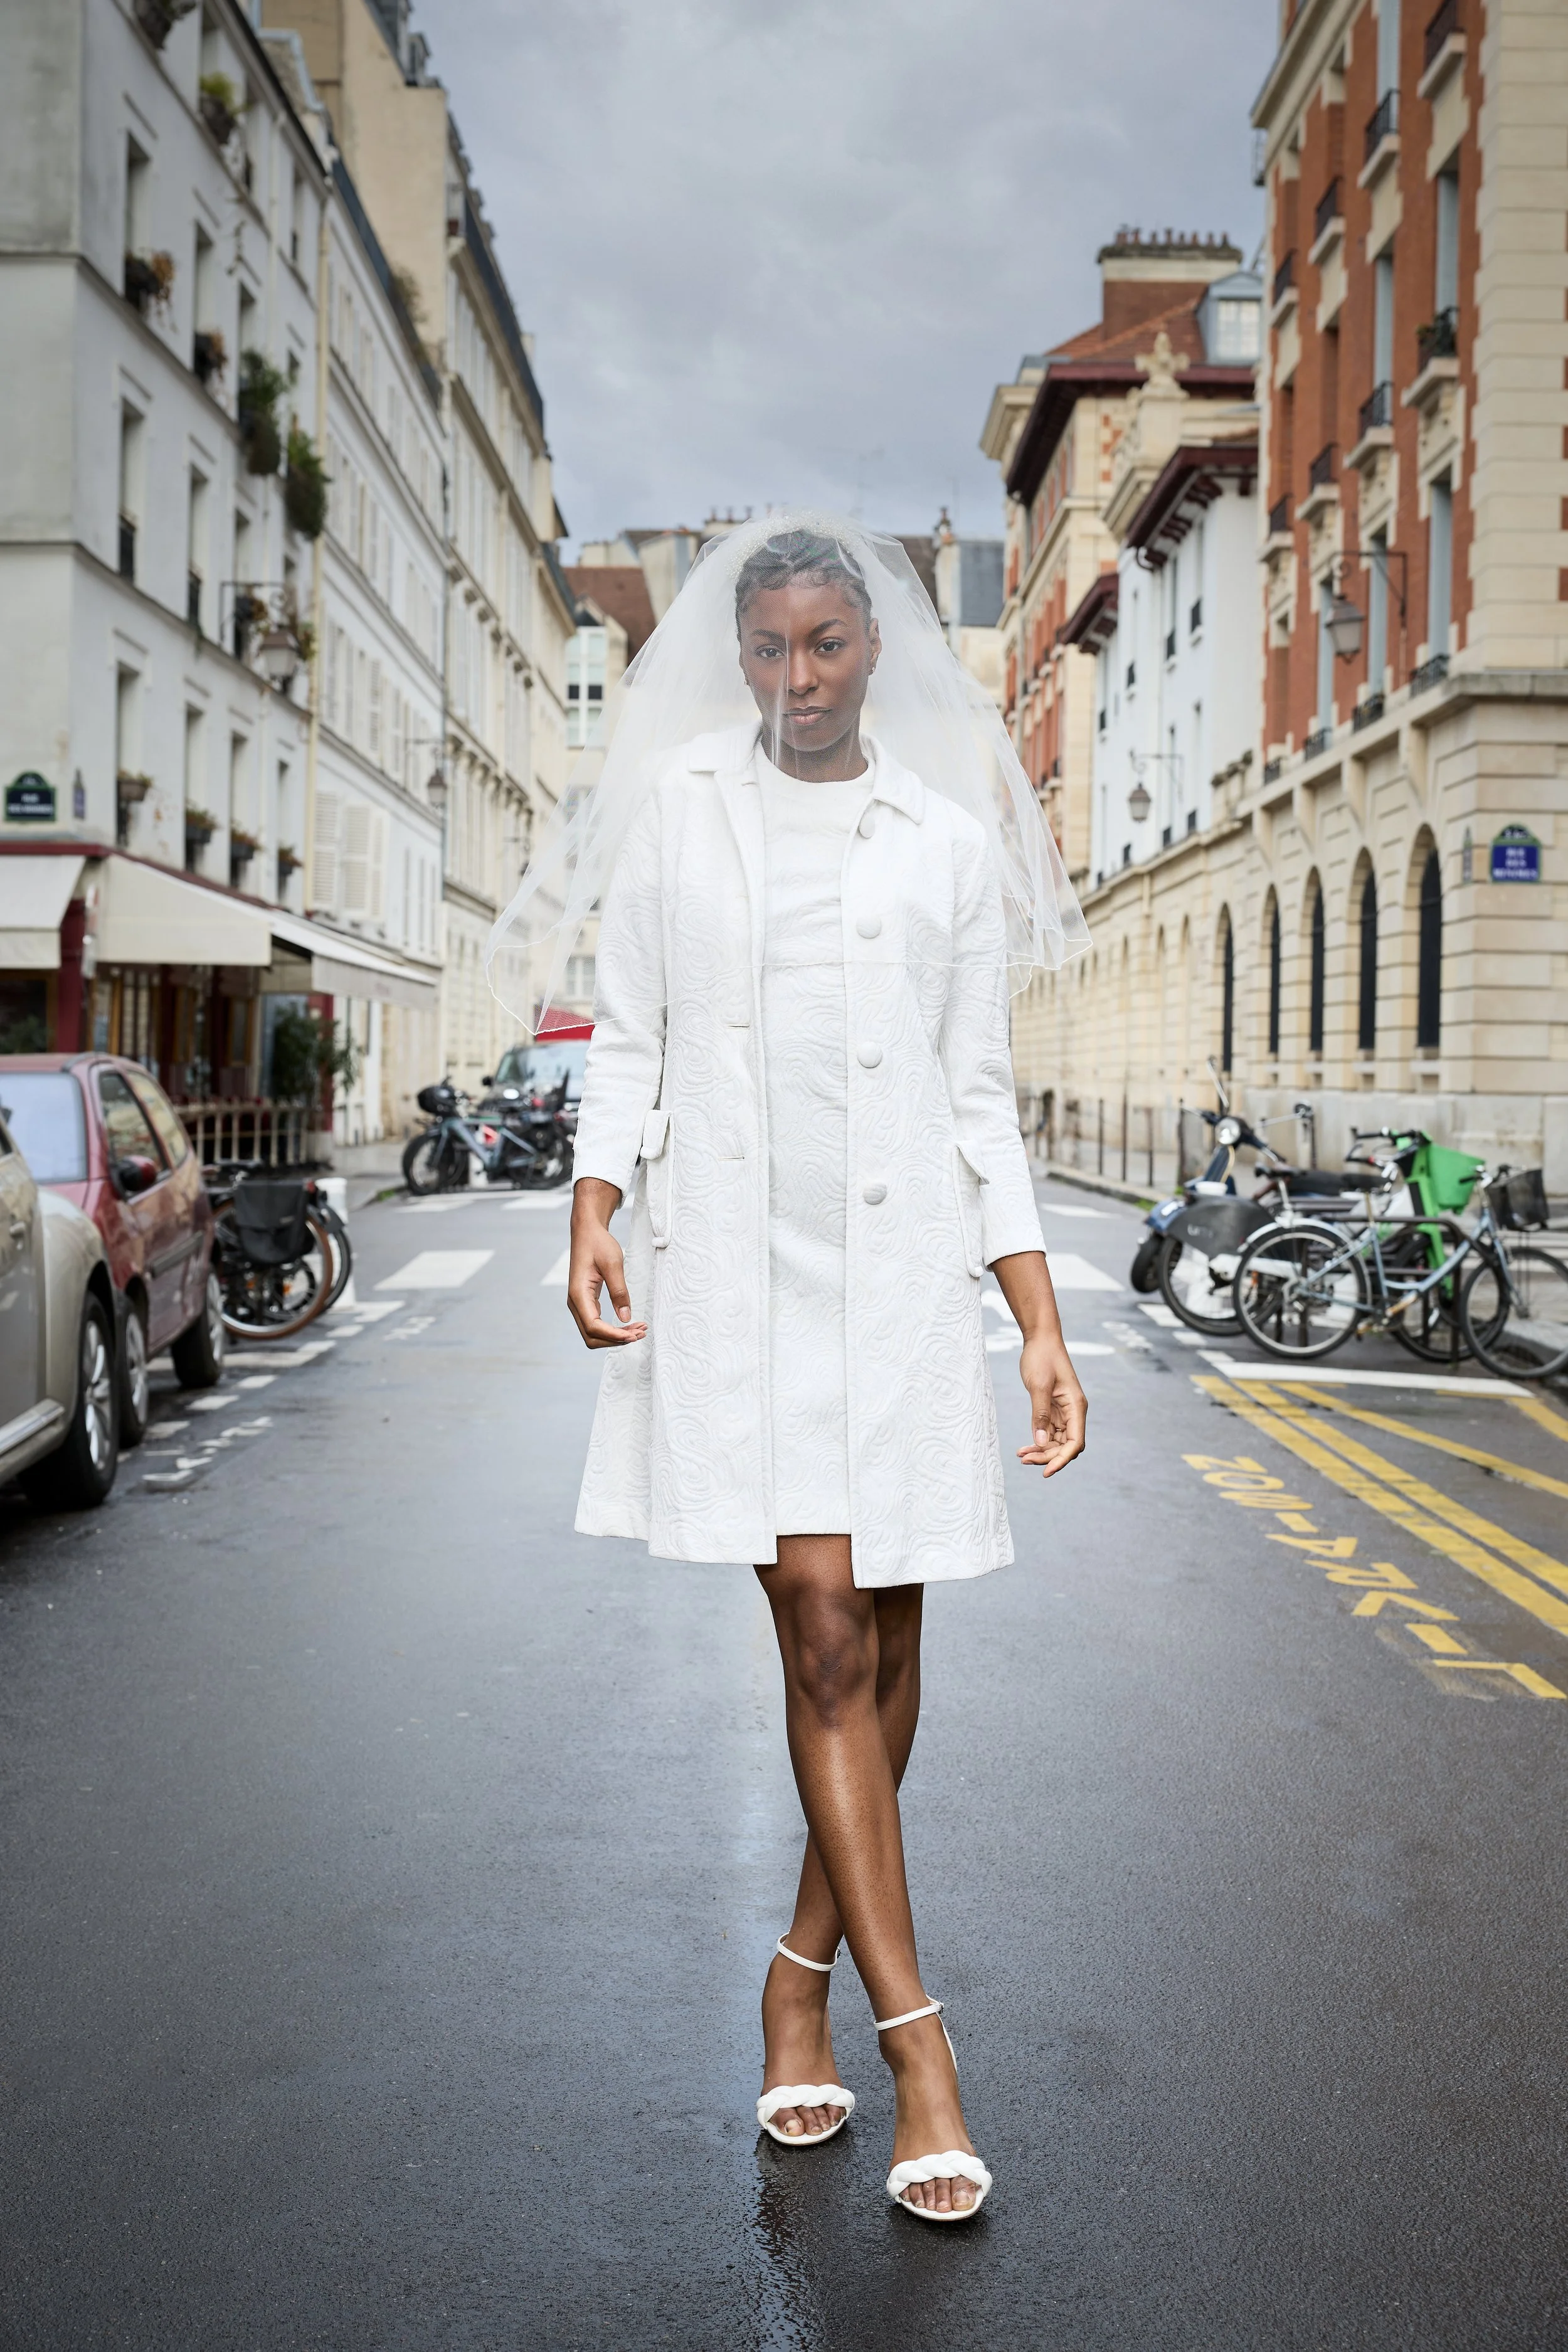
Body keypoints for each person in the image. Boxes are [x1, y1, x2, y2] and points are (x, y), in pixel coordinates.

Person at [489, 516, 1089, 2222]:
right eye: (765, 648)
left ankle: (793, 1971)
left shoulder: (946, 846)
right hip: (741, 1274)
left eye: (823, 645)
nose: (794, 679)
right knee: (823, 1625)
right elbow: (630, 1035)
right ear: (733, 650)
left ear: (872, 647)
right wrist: (594, 1205)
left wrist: (1036, 1318)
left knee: (889, 1636)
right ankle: (919, 2052)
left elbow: (983, 1104)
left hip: (896, 1283)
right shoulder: (679, 814)